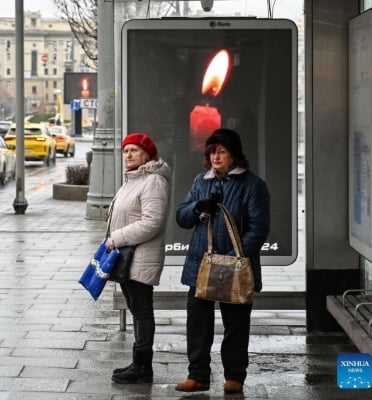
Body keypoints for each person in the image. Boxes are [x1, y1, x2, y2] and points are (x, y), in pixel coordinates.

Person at [174, 128, 270, 394]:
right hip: (201, 266)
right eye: (212, 151)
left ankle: (235, 376)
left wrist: (231, 259)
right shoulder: (200, 181)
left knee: (236, 324)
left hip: (234, 267)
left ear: (235, 155)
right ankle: (198, 375)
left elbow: (258, 228)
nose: (216, 156)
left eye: (222, 151)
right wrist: (197, 207)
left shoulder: (252, 185)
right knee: (198, 323)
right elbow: (181, 218)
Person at [106, 132, 171, 384]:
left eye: (134, 150)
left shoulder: (153, 180)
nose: (128, 155)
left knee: (142, 310)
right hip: (127, 256)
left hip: (140, 256)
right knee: (136, 309)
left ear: (148, 154)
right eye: (125, 151)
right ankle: (138, 363)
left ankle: (143, 367)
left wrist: (117, 237)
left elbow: (152, 222)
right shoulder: (133, 179)